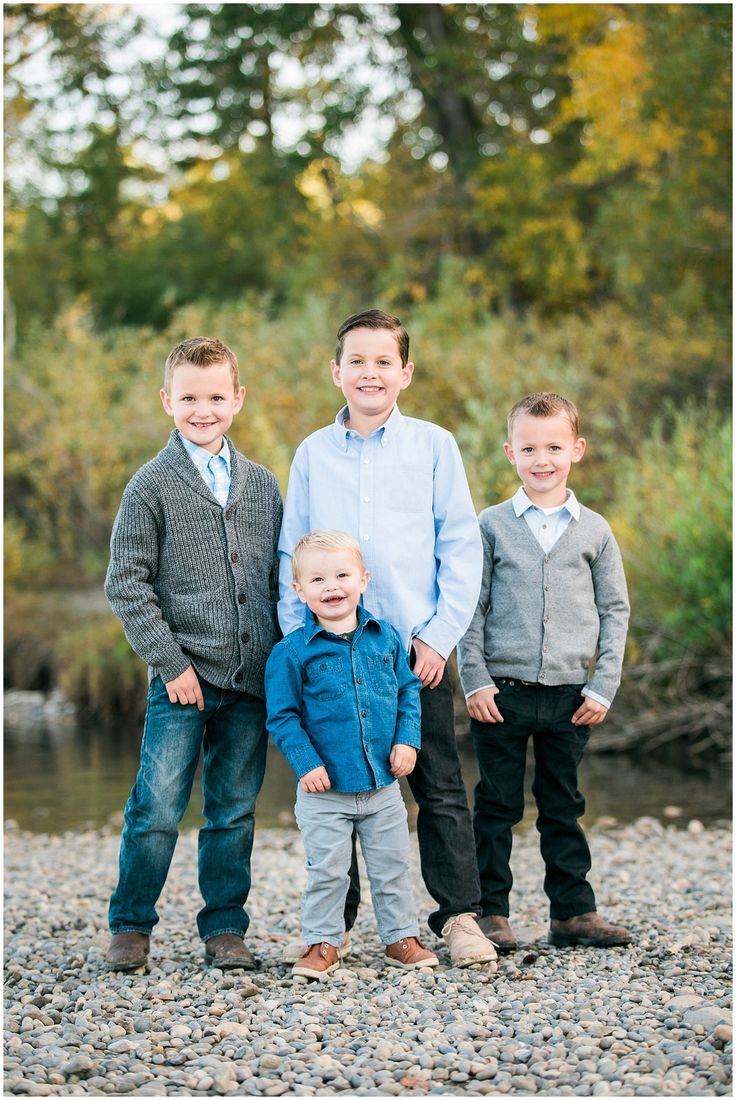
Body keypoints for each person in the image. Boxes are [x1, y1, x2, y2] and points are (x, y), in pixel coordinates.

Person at [277, 308, 496, 969]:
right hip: (330, 653)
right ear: (336, 371)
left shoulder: (434, 445)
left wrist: (438, 638)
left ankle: (458, 917)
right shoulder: (314, 452)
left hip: (412, 653)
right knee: (337, 787)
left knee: (439, 785)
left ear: (404, 372)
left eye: (383, 361)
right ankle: (330, 929)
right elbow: (293, 548)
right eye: (357, 361)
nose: (369, 372)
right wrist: (299, 643)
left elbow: (460, 546)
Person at [103, 336, 282, 972]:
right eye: (188, 398)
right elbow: (126, 581)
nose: (202, 409)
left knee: (233, 809)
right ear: (167, 402)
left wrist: (283, 664)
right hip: (182, 677)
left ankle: (225, 929)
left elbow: (277, 581)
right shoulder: (151, 484)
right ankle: (131, 925)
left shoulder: (262, 484)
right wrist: (170, 664)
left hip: (250, 679)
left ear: (237, 399)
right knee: (156, 806)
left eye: (214, 397)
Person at [458, 392, 633, 952]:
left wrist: (603, 685)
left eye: (554, 447)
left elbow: (615, 611)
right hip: (501, 693)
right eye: (530, 448)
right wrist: (475, 678)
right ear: (510, 452)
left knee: (563, 804)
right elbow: (470, 606)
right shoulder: (491, 525)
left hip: (570, 696)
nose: (542, 459)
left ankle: (573, 914)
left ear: (576, 450)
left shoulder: (594, 531)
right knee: (496, 805)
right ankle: (491, 914)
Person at [266, 530, 439, 977]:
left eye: (342, 575)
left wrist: (407, 740)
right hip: (326, 790)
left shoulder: (386, 639)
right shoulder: (290, 653)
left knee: (392, 866)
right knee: (328, 871)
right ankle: (323, 942)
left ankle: (400, 937)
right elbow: (283, 717)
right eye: (318, 580)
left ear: (364, 579)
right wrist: (307, 764)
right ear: (300, 590)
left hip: (382, 785)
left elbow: (407, 691)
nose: (332, 587)